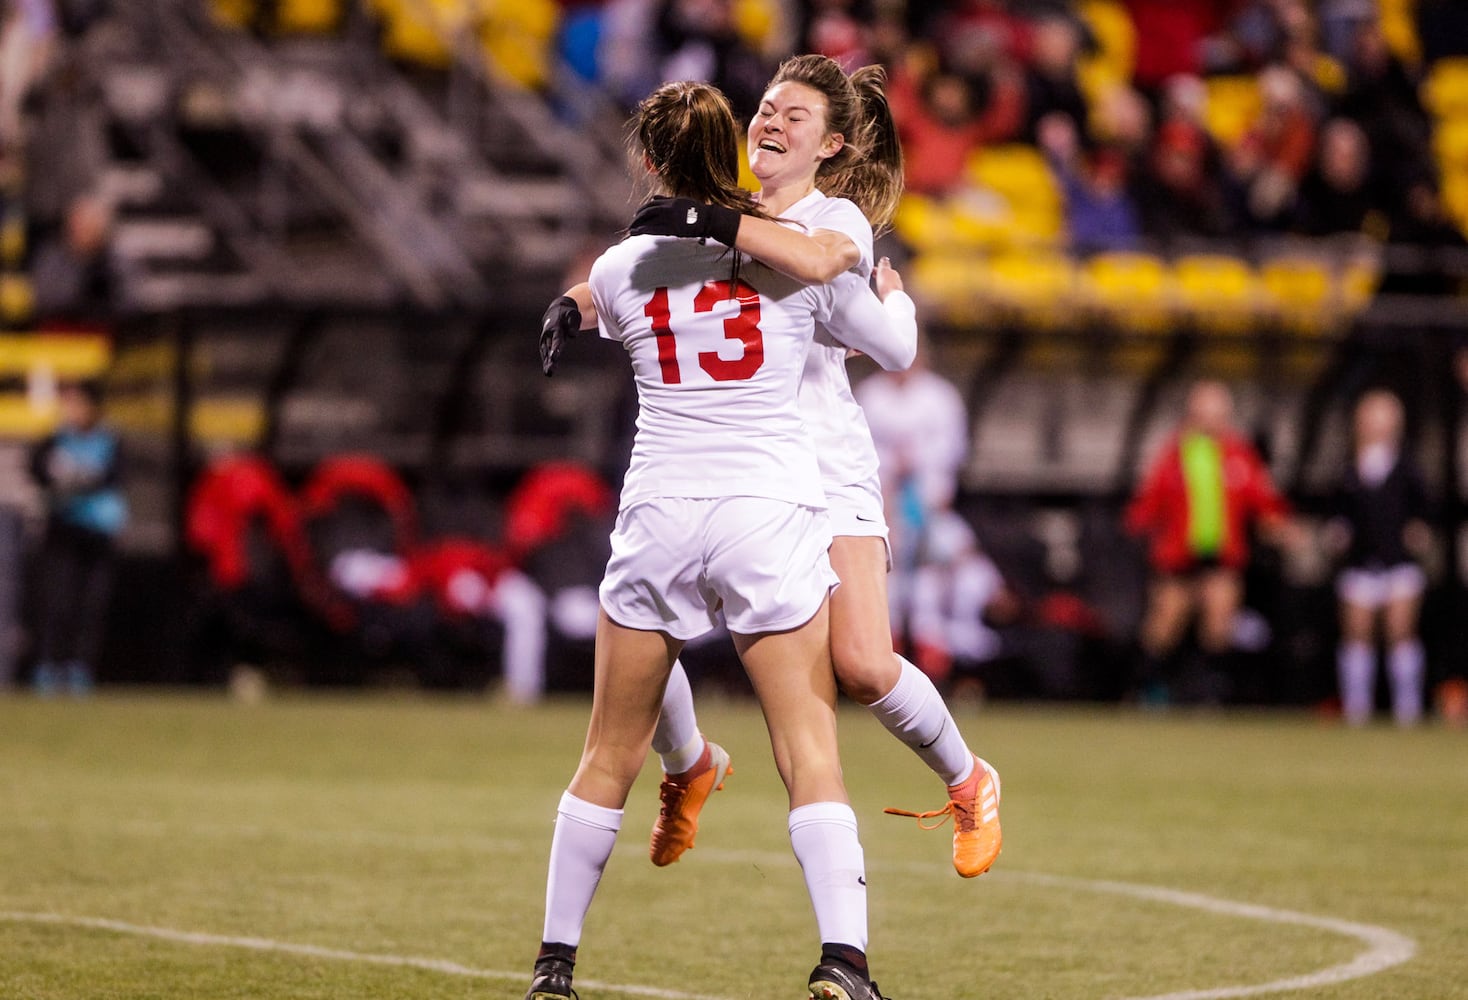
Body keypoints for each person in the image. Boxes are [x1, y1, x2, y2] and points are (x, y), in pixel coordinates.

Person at [552, 53, 1002, 886]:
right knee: (647, 627)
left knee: (865, 665)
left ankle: (969, 778)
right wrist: (576, 305)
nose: (770, 123)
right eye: (765, 108)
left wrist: (895, 300)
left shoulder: (836, 218)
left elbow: (893, 343)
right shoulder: (724, 212)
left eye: (795, 117)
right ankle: (688, 763)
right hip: (726, 463)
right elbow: (633, 267)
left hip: (822, 468)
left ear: (830, 146)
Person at [527, 78, 919, 1000]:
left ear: (654, 165)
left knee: (606, 747)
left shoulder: (626, 266)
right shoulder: (790, 252)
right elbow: (827, 272)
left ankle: (554, 964)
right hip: (767, 514)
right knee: (808, 746)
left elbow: (624, 282)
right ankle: (845, 961)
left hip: (661, 510)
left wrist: (577, 301)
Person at [1124, 379, 1291, 703]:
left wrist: (1280, 524)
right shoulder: (1173, 455)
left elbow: (1264, 501)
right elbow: (1146, 506)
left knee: (1219, 624)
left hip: (1221, 557)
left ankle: (1208, 696)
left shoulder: (1239, 455)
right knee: (1163, 627)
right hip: (1177, 557)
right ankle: (1145, 692)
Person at [1324, 390, 1432, 726]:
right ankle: (1357, 707)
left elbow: (1424, 509)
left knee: (1401, 630)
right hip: (1361, 564)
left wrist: (1419, 530)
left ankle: (1407, 707)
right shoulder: (1348, 470)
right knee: (1357, 632)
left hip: (1399, 563)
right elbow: (1339, 512)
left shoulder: (1408, 468)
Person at [27, 378, 125, 695]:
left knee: (89, 606)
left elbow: (109, 479)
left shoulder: (109, 441)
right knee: (57, 603)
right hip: (62, 533)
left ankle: (78, 670)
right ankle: (48, 668)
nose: (73, 410)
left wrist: (73, 481)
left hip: (96, 536)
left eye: (79, 403)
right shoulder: (55, 440)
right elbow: (38, 471)